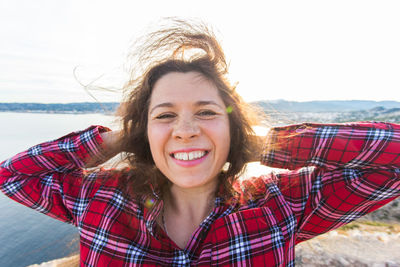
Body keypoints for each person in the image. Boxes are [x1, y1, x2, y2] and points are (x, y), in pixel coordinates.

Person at [1, 19, 399, 266]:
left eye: (206, 112)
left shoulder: (282, 205)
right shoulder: (101, 200)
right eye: (165, 115)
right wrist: (121, 140)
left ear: (233, 125)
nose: (186, 130)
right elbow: (12, 176)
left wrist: (265, 146)